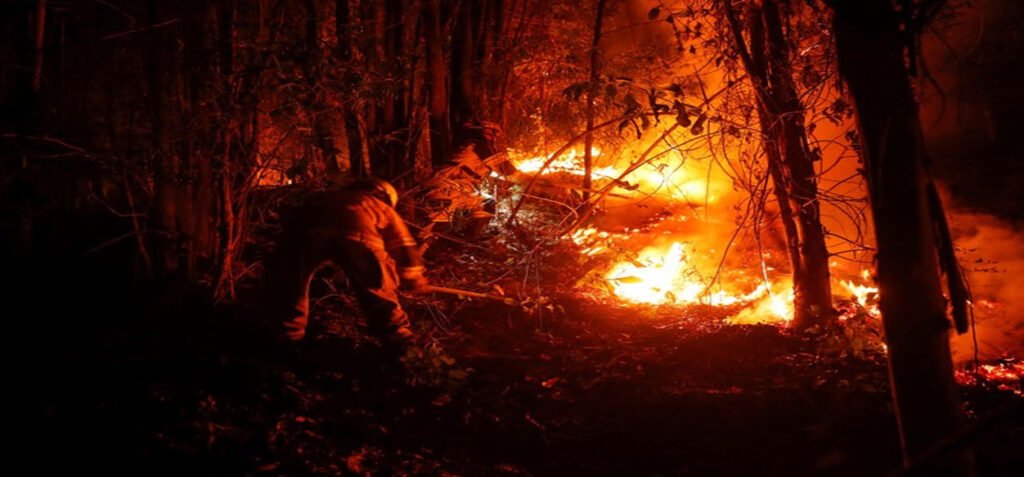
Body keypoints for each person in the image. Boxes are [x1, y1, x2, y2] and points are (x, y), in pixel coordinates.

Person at [261, 178, 428, 350]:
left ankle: (287, 336)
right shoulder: (378, 205)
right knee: (375, 284)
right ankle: (399, 338)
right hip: (359, 235)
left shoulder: (322, 198)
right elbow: (403, 246)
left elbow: (291, 225)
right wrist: (414, 278)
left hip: (307, 231)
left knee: (293, 282)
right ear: (385, 196)